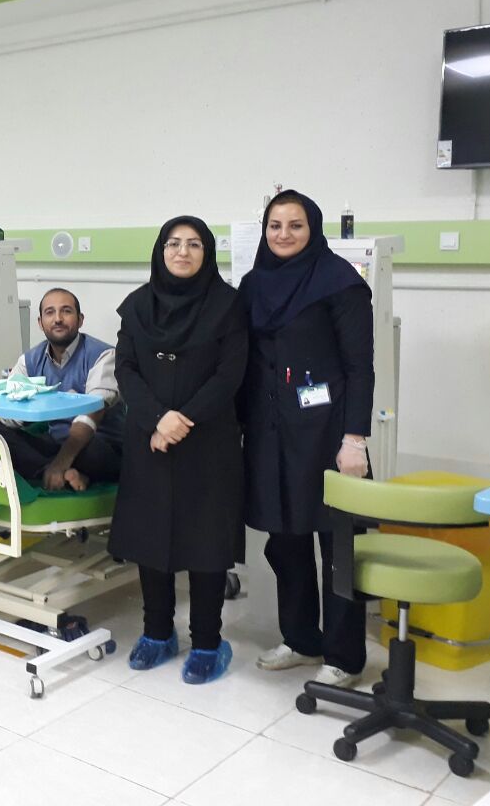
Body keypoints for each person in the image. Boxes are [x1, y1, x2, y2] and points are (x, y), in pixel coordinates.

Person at [238, 190, 373, 688]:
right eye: (275, 226)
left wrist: (355, 439)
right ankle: (300, 639)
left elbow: (359, 367)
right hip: (271, 434)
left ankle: (344, 656)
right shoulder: (254, 285)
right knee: (286, 541)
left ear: (313, 229)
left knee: (338, 548)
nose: (284, 235)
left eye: (295, 225)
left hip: (329, 436)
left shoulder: (341, 283)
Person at [110, 216, 248, 684]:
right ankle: (157, 634)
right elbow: (126, 369)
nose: (182, 252)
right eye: (173, 243)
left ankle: (208, 642)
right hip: (149, 439)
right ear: (160, 250)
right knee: (151, 540)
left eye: (193, 244)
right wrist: (156, 419)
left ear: (207, 252)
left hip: (208, 441)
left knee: (206, 544)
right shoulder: (137, 306)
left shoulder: (229, 306)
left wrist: (178, 421)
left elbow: (230, 375)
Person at [0, 288, 123, 491]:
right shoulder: (29, 360)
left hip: (98, 445)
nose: (58, 319)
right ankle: (59, 473)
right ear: (40, 323)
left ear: (80, 320)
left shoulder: (103, 355)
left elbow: (93, 413)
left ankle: (59, 470)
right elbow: (9, 413)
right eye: (50, 312)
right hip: (56, 443)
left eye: (66, 311)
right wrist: (28, 403)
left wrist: (61, 462)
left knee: (93, 452)